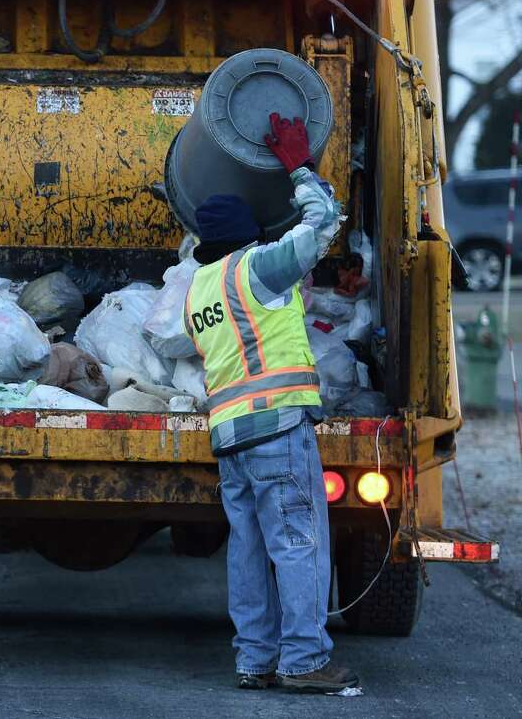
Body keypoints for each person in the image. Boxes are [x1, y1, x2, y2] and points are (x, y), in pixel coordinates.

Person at [181, 114, 360, 694]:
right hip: (278, 430)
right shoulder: (256, 268)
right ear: (248, 237)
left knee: (249, 552)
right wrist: (299, 167)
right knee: (299, 541)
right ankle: (305, 659)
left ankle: (254, 659)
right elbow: (325, 222)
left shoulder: (198, 291)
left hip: (231, 437)